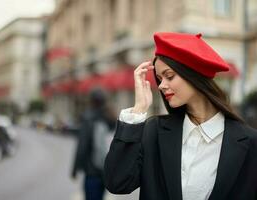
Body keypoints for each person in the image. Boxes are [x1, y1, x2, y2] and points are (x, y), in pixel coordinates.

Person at [104, 32, 257, 200]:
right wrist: (139, 109)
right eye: (160, 79)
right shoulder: (153, 131)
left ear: (194, 75)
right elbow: (117, 182)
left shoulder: (249, 141)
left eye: (169, 76)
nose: (161, 86)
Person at [71, 88, 116, 200]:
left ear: (91, 101)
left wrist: (75, 169)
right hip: (106, 171)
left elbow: (82, 146)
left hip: (92, 171)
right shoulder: (111, 118)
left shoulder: (88, 118)